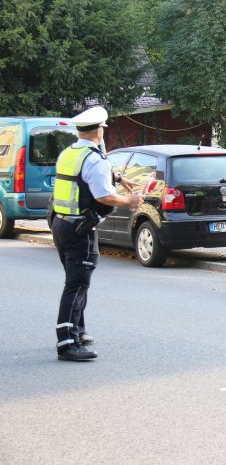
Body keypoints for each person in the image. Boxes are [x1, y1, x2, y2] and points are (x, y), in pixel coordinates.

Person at [51, 106, 142, 361]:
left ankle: (77, 331)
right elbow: (103, 195)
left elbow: (81, 177)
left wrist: (117, 177)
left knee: (75, 280)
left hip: (61, 224)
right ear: (99, 131)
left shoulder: (70, 153)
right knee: (77, 284)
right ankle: (67, 343)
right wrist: (130, 200)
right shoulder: (95, 159)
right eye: (103, 128)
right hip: (81, 228)